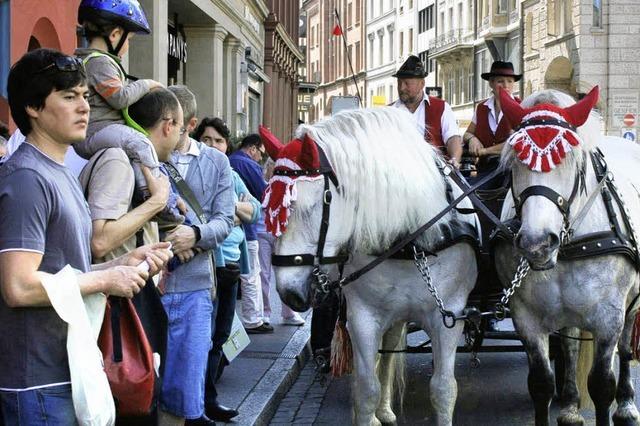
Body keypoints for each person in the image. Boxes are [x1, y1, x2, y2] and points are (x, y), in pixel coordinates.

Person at [0, 48, 172, 424]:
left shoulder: (58, 171)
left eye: (85, 96)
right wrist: (107, 278)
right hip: (37, 382)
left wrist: (122, 262)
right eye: (68, 97)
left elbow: (67, 268)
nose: (84, 107)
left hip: (68, 368)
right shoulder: (27, 178)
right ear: (33, 107)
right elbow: (17, 286)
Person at [73, 0, 184, 225]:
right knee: (140, 142)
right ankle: (161, 198)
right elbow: (120, 97)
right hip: (96, 132)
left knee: (136, 153)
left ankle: (148, 195)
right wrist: (147, 84)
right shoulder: (99, 63)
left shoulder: (97, 61)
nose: (128, 46)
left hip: (102, 131)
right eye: (129, 40)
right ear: (114, 35)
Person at [165, 86, 235, 426]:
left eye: (172, 121)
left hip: (195, 285)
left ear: (188, 124)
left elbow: (225, 220)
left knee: (190, 373)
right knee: (152, 375)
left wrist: (194, 235)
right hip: (154, 282)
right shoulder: (149, 155)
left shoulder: (216, 162)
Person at [194, 117, 260, 423]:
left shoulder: (231, 174)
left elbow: (254, 210)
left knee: (220, 335)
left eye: (218, 140)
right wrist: (234, 210)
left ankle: (209, 397)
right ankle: (202, 400)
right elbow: (216, 216)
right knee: (202, 336)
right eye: (206, 139)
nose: (212, 146)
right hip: (206, 264)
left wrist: (228, 208)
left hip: (230, 265)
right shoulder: (194, 171)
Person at [228, 134, 273, 334]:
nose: (260, 159)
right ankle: (253, 319)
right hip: (247, 231)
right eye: (261, 154)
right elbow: (264, 195)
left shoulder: (229, 162)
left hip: (225, 233)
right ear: (253, 148)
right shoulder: (248, 165)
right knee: (251, 274)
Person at [391, 55, 463, 167]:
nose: (401, 88)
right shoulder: (389, 112)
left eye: (406, 83)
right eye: (399, 83)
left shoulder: (441, 107)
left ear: (422, 84)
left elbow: (452, 137)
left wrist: (454, 159)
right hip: (398, 172)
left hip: (435, 172)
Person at [463, 60, 522, 182]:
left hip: (511, 173)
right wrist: (472, 139)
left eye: (510, 81)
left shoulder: (521, 108)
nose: (506, 85)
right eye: (500, 81)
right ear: (491, 83)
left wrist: (485, 151)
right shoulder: (482, 108)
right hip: (484, 171)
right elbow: (467, 133)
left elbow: (515, 143)